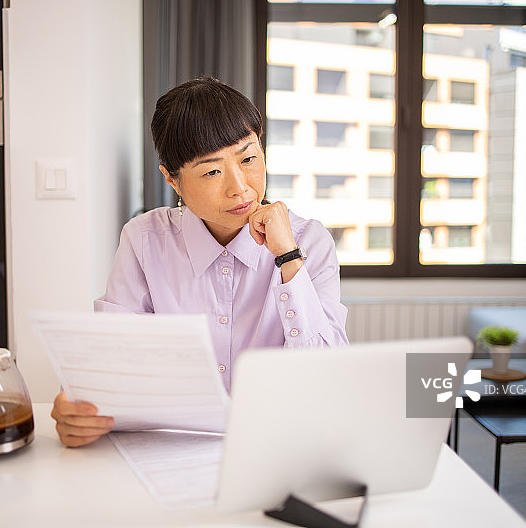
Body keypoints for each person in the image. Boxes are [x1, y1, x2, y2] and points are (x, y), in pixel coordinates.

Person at [51, 76, 348, 447]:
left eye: (249, 158)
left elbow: (328, 374)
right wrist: (79, 410)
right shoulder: (145, 239)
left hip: (277, 445)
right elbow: (107, 359)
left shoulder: (308, 241)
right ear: (173, 180)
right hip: (172, 449)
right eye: (211, 171)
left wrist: (288, 258)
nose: (240, 187)